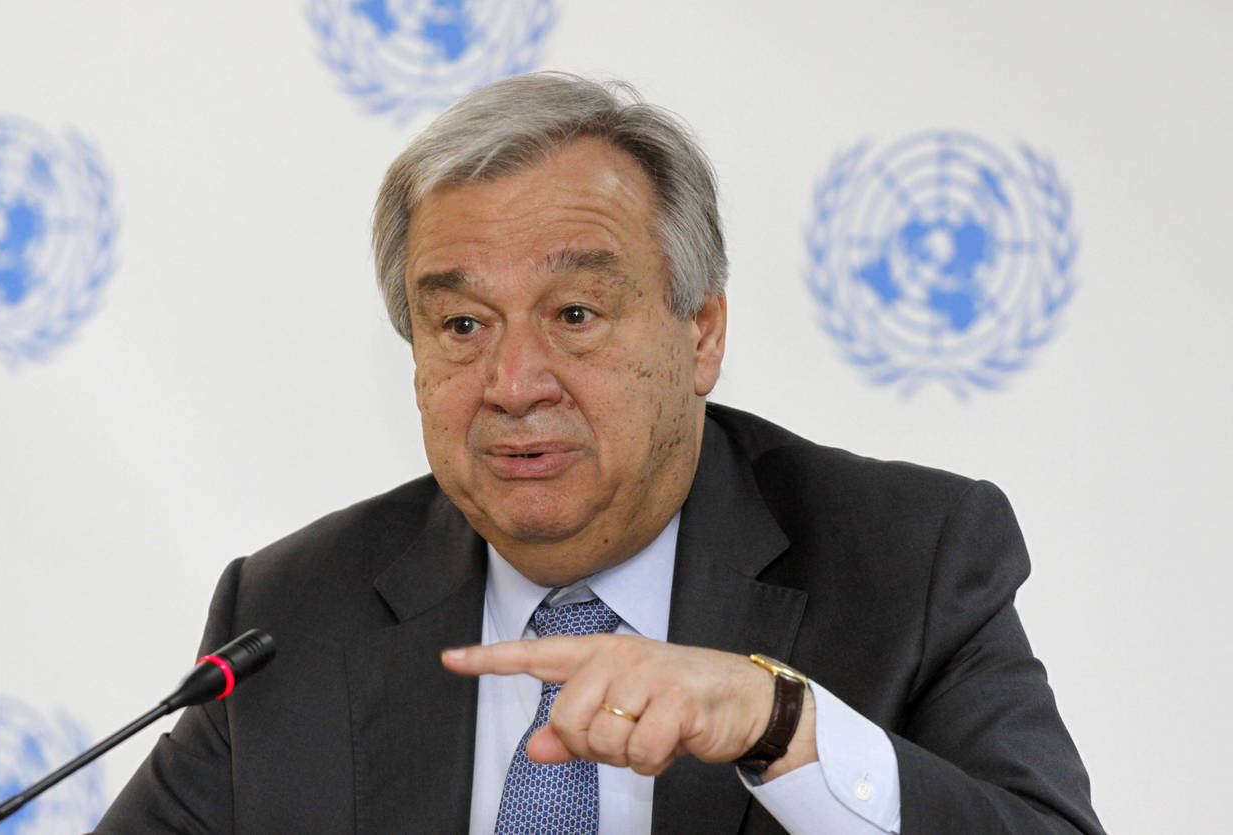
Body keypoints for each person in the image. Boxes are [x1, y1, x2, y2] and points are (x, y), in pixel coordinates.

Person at [96, 73, 1103, 834]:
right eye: (461, 325)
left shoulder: (906, 562)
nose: (512, 381)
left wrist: (778, 723)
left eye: (574, 313)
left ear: (700, 333)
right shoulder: (294, 614)